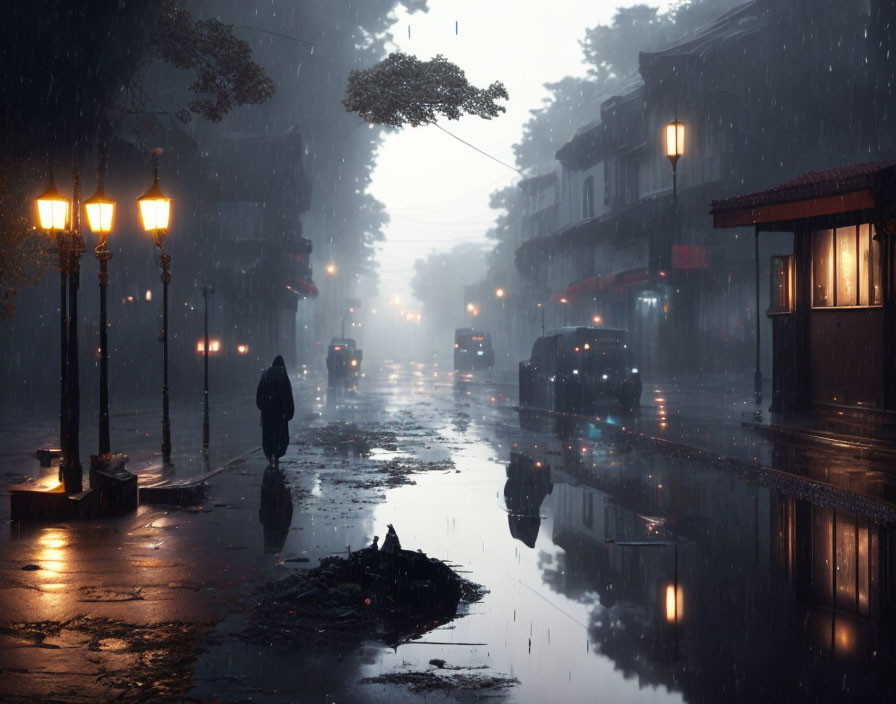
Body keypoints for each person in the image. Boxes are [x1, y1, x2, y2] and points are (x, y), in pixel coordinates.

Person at [256, 355, 295, 467]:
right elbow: (288, 396)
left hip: (267, 414)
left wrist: (263, 407)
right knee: (279, 435)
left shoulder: (265, 376)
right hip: (279, 414)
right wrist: (289, 412)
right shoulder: (283, 377)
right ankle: (277, 456)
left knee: (268, 434)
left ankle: (269, 456)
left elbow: (259, 395)